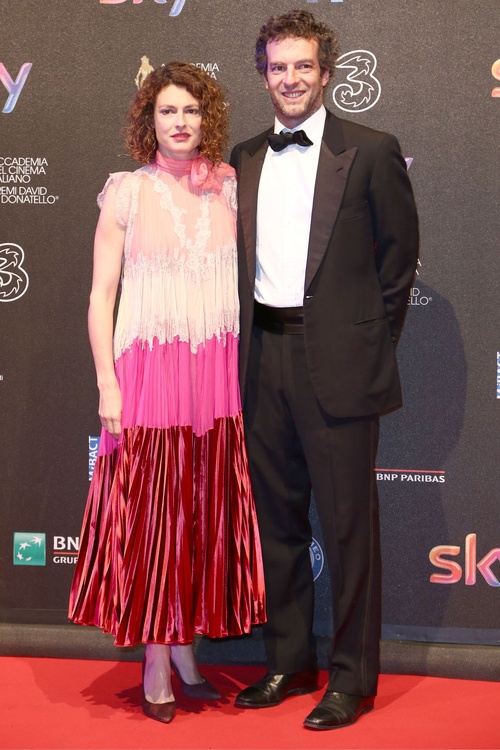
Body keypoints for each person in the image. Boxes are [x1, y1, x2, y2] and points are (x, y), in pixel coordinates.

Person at [230, 9, 419, 730]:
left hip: (338, 361)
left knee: (347, 529)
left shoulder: (370, 150)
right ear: (264, 76)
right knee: (275, 522)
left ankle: (350, 677)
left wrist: (367, 346)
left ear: (326, 72)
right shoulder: (245, 156)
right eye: (278, 67)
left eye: (302, 66)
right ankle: (288, 660)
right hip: (262, 356)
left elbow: (397, 263)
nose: (291, 79)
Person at [69, 62, 266, 724]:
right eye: (167, 111)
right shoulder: (126, 192)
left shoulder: (231, 188)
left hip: (215, 382)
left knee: (201, 513)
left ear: (208, 118)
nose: (180, 122)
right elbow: (100, 296)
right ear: (147, 120)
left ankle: (184, 647)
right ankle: (156, 658)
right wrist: (108, 382)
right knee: (157, 517)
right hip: (149, 378)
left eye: (191, 110)